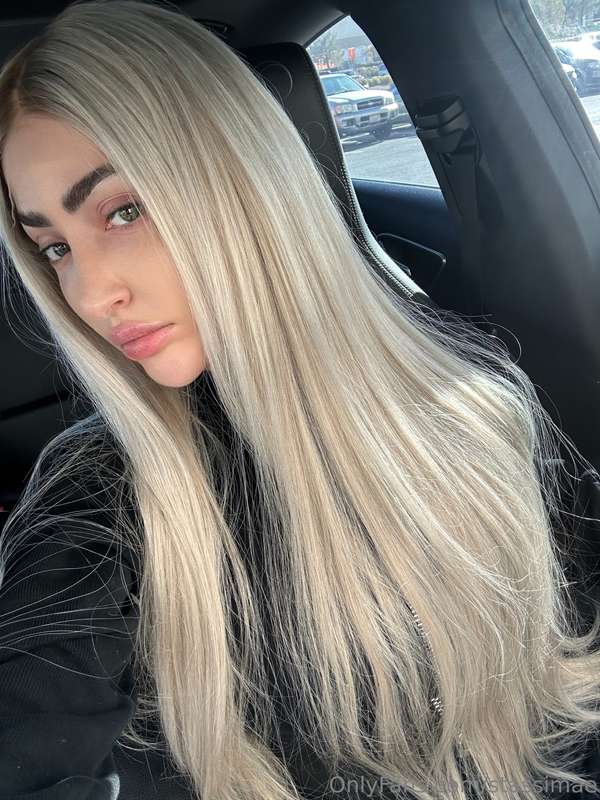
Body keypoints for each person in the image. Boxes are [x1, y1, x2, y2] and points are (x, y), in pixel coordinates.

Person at [0, 0, 600, 798]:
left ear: (241, 183)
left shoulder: (474, 402)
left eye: (123, 210)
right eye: (53, 248)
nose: (86, 291)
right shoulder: (100, 501)